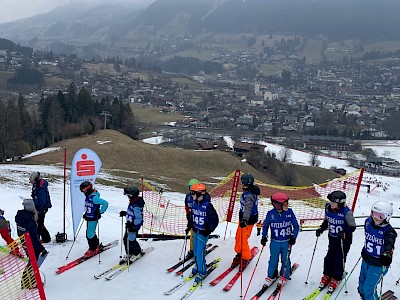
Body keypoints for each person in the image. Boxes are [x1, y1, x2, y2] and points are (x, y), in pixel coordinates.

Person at [315, 190, 356, 292]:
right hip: (332, 238)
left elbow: (352, 227)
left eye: (334, 203)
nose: (331, 204)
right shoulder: (328, 208)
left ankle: (336, 277)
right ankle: (327, 274)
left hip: (343, 241)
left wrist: (345, 233)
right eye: (331, 202)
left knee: (339, 259)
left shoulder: (347, 212)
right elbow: (326, 221)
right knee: (329, 257)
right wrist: (321, 229)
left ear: (340, 204)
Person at [358, 201, 397, 300]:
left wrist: (387, 254)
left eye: (380, 216)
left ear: (387, 217)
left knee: (368, 288)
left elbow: (389, 243)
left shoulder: (389, 232)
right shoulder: (368, 222)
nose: (375, 217)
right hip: (366, 260)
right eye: (373, 213)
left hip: (378, 265)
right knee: (361, 284)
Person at [261, 192, 299, 286]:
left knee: (285, 259)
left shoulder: (289, 212)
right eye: (284, 204)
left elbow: (296, 226)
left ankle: (284, 275)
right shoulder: (271, 214)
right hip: (275, 242)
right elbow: (265, 226)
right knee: (273, 259)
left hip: (287, 242)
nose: (286, 205)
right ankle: (271, 275)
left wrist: (293, 237)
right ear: (277, 204)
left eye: (287, 203)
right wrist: (264, 236)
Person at [186, 183, 219, 286]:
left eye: (193, 193)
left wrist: (208, 230)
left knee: (200, 253)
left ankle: (202, 271)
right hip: (196, 231)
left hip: (203, 233)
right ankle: (198, 265)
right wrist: (189, 225)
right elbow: (192, 216)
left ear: (200, 193)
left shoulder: (208, 206)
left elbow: (215, 220)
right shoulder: (195, 203)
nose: (191, 195)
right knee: (195, 251)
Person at [15, 199, 48, 289]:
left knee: (32, 261)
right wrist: (41, 248)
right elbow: (33, 237)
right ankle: (27, 282)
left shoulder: (20, 216)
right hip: (30, 243)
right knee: (33, 262)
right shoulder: (30, 220)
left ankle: (29, 281)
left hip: (24, 242)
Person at [232, 173, 259, 268]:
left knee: (243, 239)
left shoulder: (250, 195)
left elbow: (248, 208)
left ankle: (245, 257)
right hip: (243, 219)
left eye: (242, 183)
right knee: (238, 237)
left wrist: (245, 220)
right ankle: (239, 253)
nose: (241, 185)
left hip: (248, 221)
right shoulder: (247, 192)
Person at [80, 181, 108, 257]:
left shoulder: (94, 198)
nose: (83, 193)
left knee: (89, 234)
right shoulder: (89, 196)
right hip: (89, 217)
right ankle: (96, 245)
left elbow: (105, 203)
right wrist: (86, 214)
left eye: (84, 191)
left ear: (88, 189)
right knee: (90, 233)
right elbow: (90, 207)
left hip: (93, 218)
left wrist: (100, 212)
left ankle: (92, 249)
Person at [119, 186, 144, 263]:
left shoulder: (136, 205)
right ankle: (129, 253)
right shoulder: (133, 202)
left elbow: (138, 218)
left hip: (134, 226)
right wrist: (126, 213)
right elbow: (132, 214)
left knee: (131, 240)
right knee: (125, 239)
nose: (127, 197)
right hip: (129, 224)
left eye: (128, 196)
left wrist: (133, 225)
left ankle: (137, 253)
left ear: (131, 195)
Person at [29, 171, 52, 243]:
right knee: (38, 223)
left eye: (31, 179)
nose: (30, 181)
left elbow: (42, 200)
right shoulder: (36, 185)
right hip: (38, 207)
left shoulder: (40, 187)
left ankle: (46, 238)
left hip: (41, 208)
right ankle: (43, 238)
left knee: (39, 223)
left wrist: (38, 208)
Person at [184, 178, 199, 259]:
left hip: (199, 219)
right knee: (192, 234)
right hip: (191, 218)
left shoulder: (199, 196)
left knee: (198, 235)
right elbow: (186, 206)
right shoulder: (188, 196)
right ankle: (192, 250)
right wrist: (188, 215)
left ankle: (199, 250)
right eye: (190, 187)